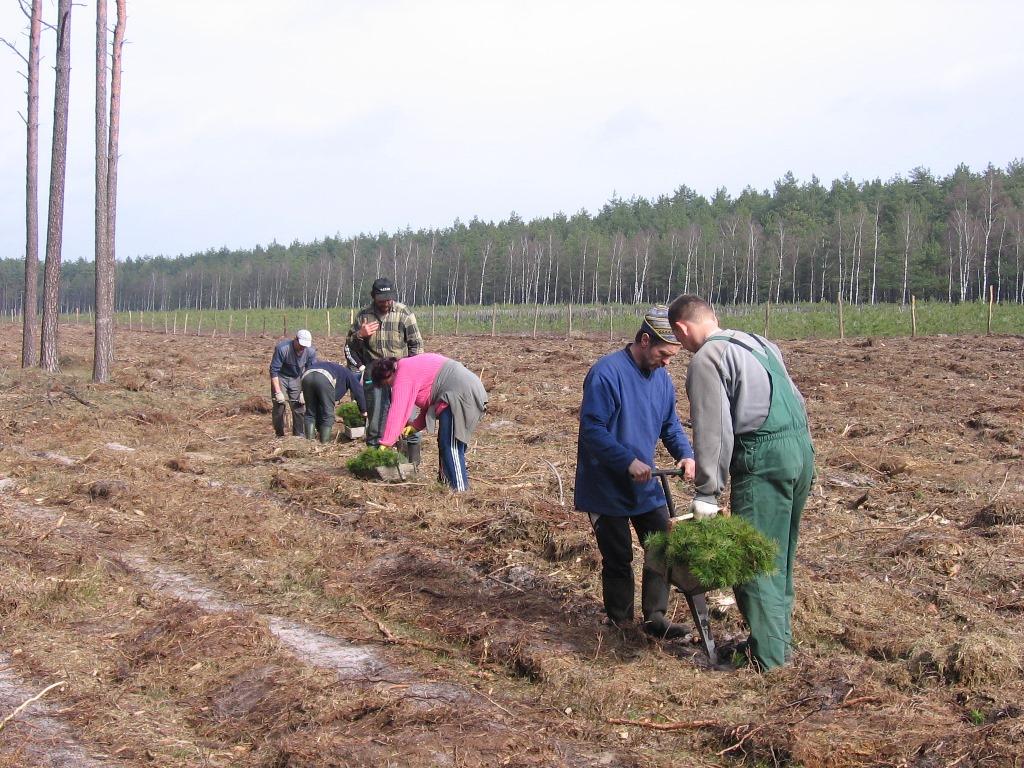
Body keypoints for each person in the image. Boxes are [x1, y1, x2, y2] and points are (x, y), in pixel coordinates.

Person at [668, 294, 814, 671]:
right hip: (800, 451)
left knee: (752, 562)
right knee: (779, 557)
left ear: (682, 329)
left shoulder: (708, 359)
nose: (681, 348)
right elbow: (796, 401)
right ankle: (776, 644)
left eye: (678, 340)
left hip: (764, 457)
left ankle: (769, 663)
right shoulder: (759, 343)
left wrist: (707, 491)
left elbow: (714, 429)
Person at [575, 306, 696, 639]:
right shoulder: (606, 373)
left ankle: (655, 618)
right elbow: (593, 429)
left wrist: (686, 455)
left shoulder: (662, 380)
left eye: (672, 356)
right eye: (663, 353)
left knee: (661, 546)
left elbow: (670, 424)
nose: (667, 361)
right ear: (645, 340)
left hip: (644, 483)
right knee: (619, 557)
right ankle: (621, 624)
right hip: (605, 484)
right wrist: (627, 461)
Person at [370, 353, 487, 492]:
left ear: (388, 374)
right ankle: (448, 484)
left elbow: (398, 410)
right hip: (461, 390)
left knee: (451, 445)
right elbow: (430, 400)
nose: (389, 386)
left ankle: (461, 491)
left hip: (460, 393)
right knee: (446, 442)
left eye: (386, 384)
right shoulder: (408, 366)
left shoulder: (403, 373)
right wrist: (414, 426)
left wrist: (386, 443)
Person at [346, 277, 424, 447]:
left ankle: (411, 462)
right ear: (373, 296)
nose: (386, 302)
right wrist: (360, 334)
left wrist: (413, 373)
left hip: (401, 373)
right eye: (382, 299)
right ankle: (375, 460)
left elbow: (416, 345)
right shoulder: (363, 316)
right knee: (376, 421)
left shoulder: (404, 314)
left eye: (389, 298)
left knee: (408, 417)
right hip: (374, 375)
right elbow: (349, 346)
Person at [300, 360, 368, 443]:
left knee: (310, 413)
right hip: (324, 378)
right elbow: (358, 391)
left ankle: (309, 443)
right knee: (328, 414)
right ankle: (324, 444)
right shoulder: (348, 373)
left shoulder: (335, 369)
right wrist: (364, 410)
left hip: (307, 376)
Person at [269, 329, 317, 437]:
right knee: (279, 405)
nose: (302, 348)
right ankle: (279, 434)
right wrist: (278, 392)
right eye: (300, 345)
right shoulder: (282, 349)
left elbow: (310, 372)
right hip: (282, 376)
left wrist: (304, 392)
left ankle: (298, 435)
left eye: (305, 346)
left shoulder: (310, 352)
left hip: (298, 377)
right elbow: (274, 371)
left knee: (299, 406)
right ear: (295, 339)